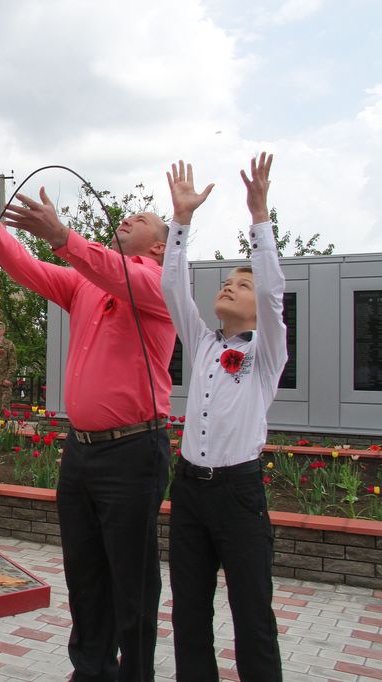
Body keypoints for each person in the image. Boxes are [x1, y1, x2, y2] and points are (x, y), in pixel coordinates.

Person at [0, 177, 175, 681]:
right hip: (81, 451)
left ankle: (135, 674)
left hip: (133, 450)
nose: (128, 218)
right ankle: (91, 670)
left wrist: (61, 234)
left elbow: (112, 270)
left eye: (141, 219)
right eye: (128, 215)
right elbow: (29, 269)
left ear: (161, 247)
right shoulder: (86, 283)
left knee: (132, 578)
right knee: (85, 572)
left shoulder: (161, 284)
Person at [161, 153, 284, 681]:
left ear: (258, 308)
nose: (230, 286)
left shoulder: (266, 353)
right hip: (189, 490)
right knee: (189, 612)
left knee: (252, 614)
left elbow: (273, 294)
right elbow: (173, 288)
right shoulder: (203, 343)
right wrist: (180, 221)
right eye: (228, 281)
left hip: (239, 494)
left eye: (242, 284)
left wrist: (259, 216)